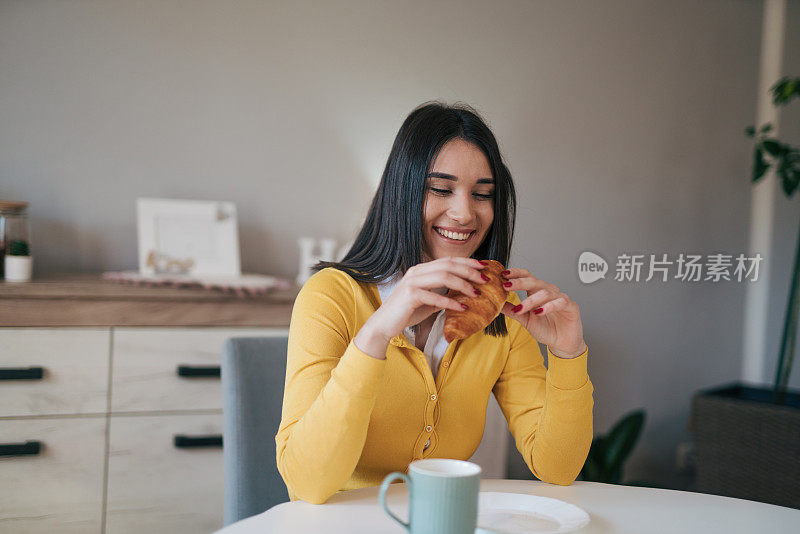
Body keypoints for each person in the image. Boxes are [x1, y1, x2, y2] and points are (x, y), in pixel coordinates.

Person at [276, 101, 593, 504]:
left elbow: (558, 467)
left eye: (482, 194)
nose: (464, 213)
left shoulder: (501, 311)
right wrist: (376, 334)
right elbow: (306, 483)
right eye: (441, 189)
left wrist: (569, 353)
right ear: (402, 193)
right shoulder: (331, 297)